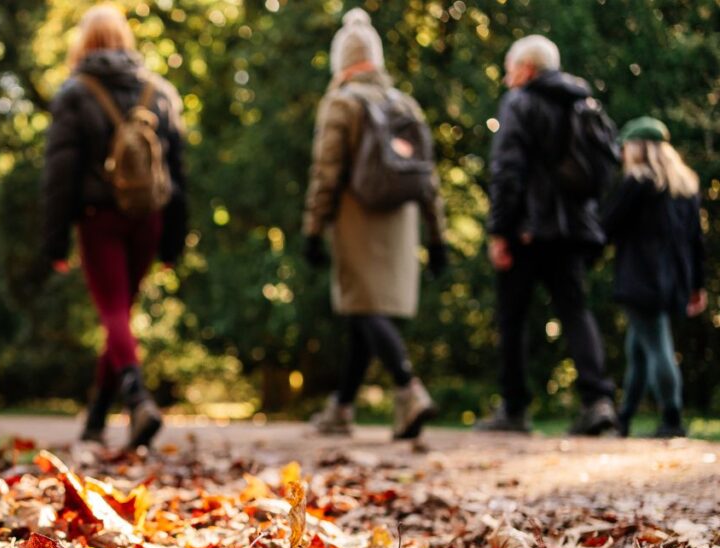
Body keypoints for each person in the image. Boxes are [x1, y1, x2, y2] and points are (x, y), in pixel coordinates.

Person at [43, 4, 188, 449]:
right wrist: (173, 241)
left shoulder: (74, 94)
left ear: (82, 44)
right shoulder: (159, 92)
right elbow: (178, 173)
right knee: (120, 316)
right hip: (149, 217)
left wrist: (54, 241)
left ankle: (138, 398)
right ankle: (98, 416)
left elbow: (59, 174)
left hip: (98, 219)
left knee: (114, 315)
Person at [303, 9, 448, 440]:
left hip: (356, 217)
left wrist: (313, 228)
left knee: (363, 307)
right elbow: (429, 179)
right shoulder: (404, 103)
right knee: (363, 312)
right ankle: (342, 407)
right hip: (400, 219)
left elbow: (326, 172)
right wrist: (437, 235)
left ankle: (409, 390)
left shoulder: (342, 102)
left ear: (341, 62)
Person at [476, 35, 618, 435]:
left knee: (513, 317)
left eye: (509, 69)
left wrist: (501, 230)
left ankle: (515, 408)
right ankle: (598, 401)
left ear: (526, 69)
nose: (507, 79)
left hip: (528, 230)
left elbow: (508, 170)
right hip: (573, 229)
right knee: (575, 310)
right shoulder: (582, 102)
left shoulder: (520, 102)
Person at [602, 117, 707, 438]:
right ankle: (625, 418)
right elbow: (696, 242)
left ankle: (672, 417)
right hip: (673, 280)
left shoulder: (639, 183)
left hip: (641, 279)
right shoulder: (684, 186)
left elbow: (607, 226)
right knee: (639, 348)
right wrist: (696, 285)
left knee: (658, 346)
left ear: (638, 147)